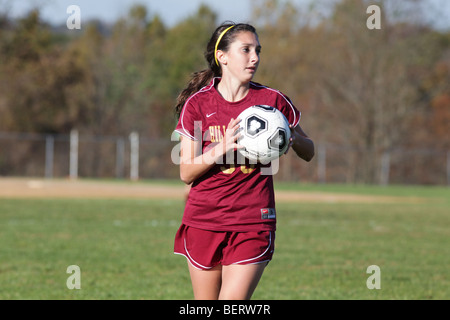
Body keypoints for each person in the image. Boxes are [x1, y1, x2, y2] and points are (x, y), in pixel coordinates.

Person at [173, 22, 314, 300]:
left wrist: (290, 137)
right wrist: (221, 147)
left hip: (253, 221)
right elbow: (186, 172)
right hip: (204, 220)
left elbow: (309, 151)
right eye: (246, 50)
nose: (255, 58)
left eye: (258, 50)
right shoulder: (198, 104)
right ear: (222, 57)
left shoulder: (272, 101)